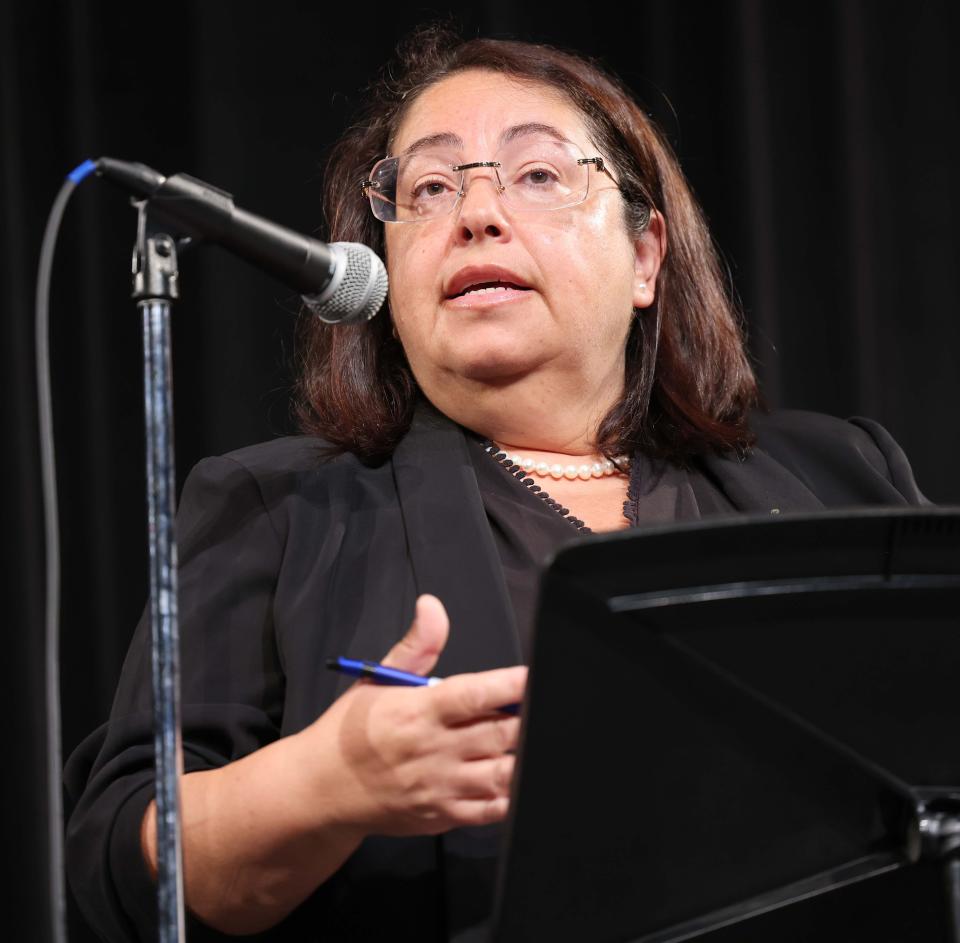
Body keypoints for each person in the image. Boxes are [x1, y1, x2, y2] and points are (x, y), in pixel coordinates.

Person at [64, 25, 927, 943]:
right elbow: (123, 856)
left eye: (539, 174)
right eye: (430, 188)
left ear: (646, 256)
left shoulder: (841, 475)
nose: (475, 214)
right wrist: (330, 781)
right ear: (384, 268)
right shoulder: (273, 510)